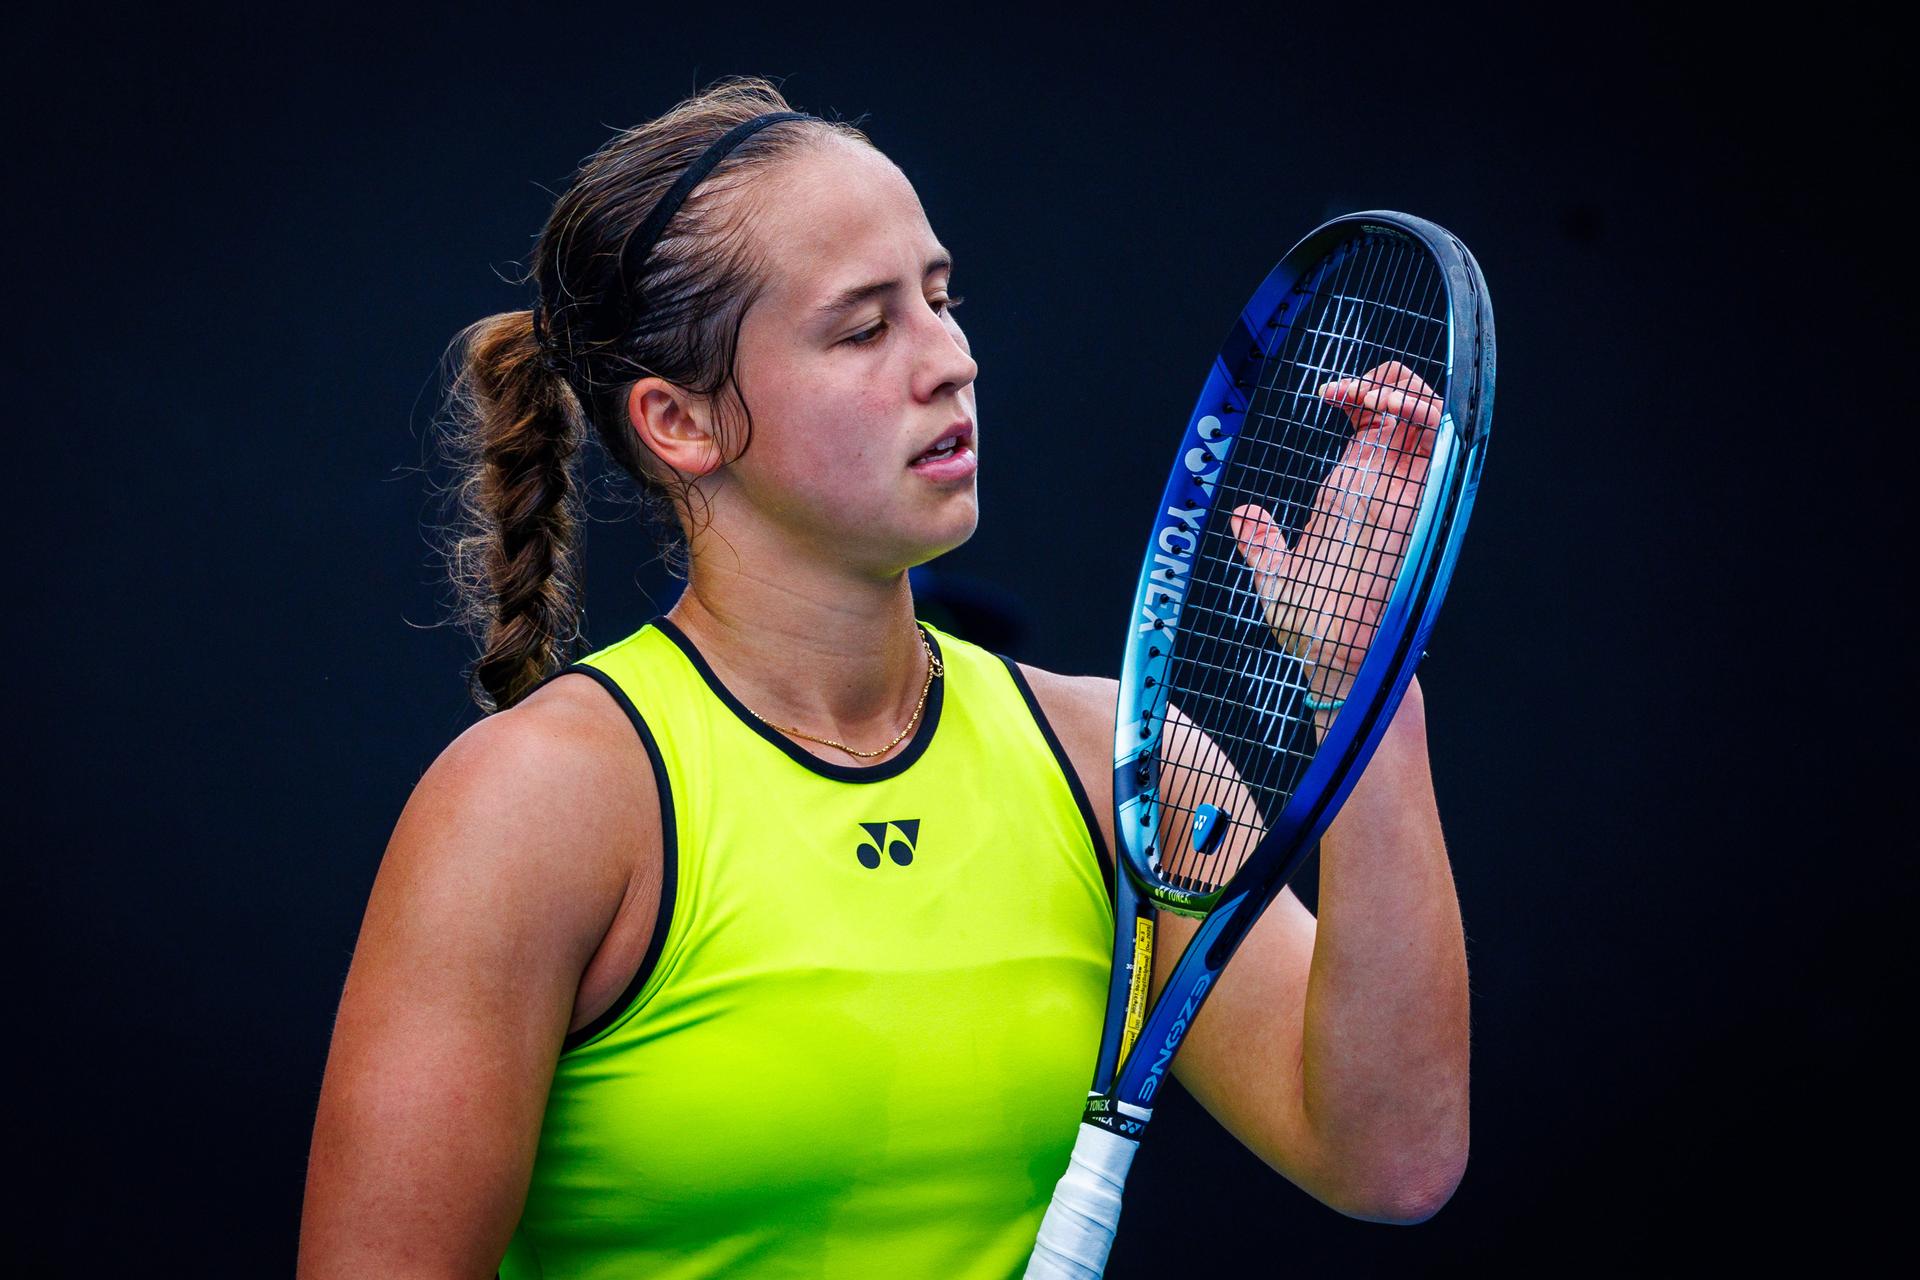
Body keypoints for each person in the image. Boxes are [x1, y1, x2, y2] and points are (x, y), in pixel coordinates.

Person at [297, 77, 1470, 1279]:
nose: (950, 359)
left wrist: (1368, 687)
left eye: (941, 298)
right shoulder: (535, 805)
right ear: (681, 422)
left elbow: (1389, 1154)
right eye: (865, 327)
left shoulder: (1105, 759)